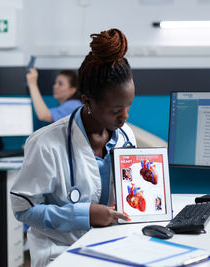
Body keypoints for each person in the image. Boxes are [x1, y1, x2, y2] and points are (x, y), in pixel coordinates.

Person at [10, 28, 136, 266]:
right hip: (61, 252)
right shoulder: (46, 143)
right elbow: (23, 211)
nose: (125, 117)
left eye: (129, 106)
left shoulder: (126, 137)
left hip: (114, 247)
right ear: (87, 101)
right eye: (116, 111)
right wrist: (83, 215)